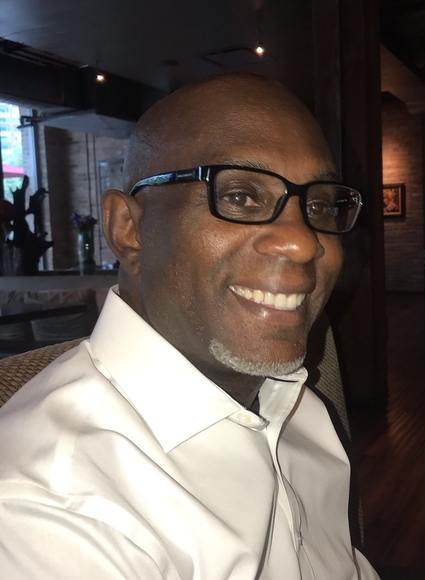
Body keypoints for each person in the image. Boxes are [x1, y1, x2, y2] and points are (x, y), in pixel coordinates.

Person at [0, 72, 378, 579]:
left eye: (318, 205)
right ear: (128, 230)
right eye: (240, 196)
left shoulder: (299, 405)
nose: (303, 241)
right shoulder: (51, 511)